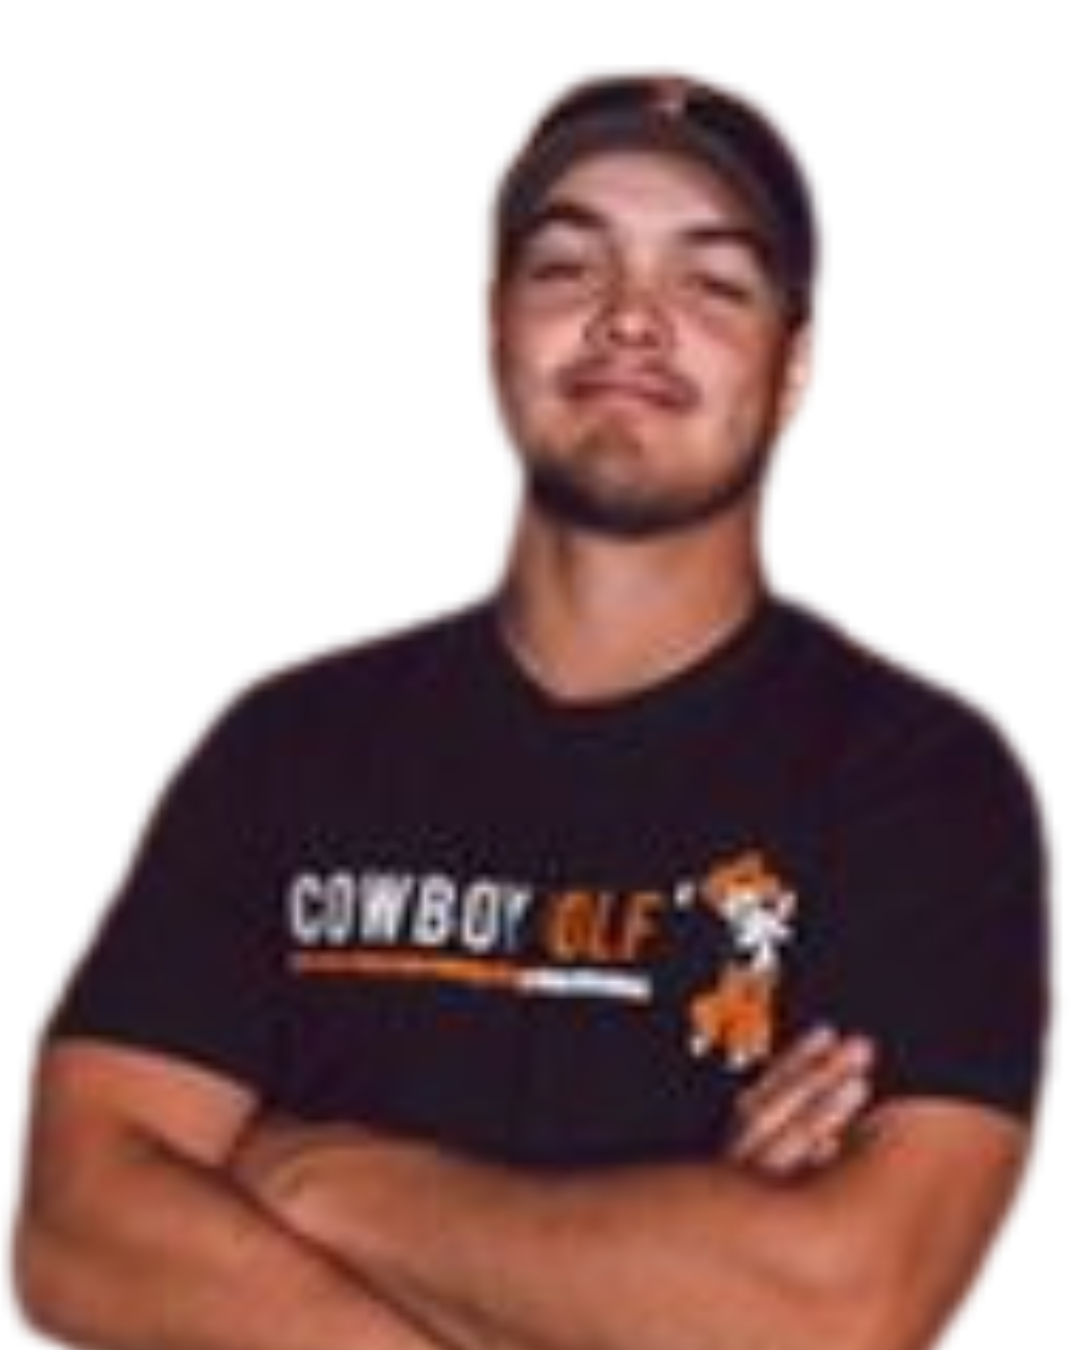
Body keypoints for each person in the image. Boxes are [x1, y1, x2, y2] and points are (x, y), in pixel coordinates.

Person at [10, 63, 1056, 1350]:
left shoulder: (920, 781)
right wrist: (645, 1287)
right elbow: (70, 1239)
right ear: (494, 339)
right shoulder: (282, 746)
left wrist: (308, 1177)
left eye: (713, 284)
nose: (631, 319)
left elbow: (842, 1308)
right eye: (568, 266)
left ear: (797, 375)